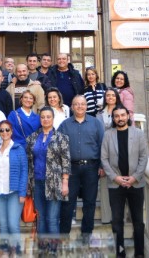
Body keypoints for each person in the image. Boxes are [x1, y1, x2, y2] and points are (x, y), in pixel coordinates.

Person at [101, 105, 148, 258]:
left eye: (122, 115)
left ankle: (139, 254)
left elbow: (143, 158)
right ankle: (120, 253)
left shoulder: (139, 134)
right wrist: (116, 178)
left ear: (128, 116)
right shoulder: (108, 135)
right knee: (116, 222)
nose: (120, 118)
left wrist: (134, 177)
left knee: (138, 222)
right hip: (116, 185)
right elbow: (104, 159)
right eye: (116, 116)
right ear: (113, 118)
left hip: (136, 184)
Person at [58, 95, 105, 239]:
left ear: (86, 106)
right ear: (72, 107)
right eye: (76, 104)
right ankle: (64, 234)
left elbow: (103, 145)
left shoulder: (96, 123)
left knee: (89, 202)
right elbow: (58, 147)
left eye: (82, 104)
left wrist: (102, 165)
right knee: (67, 203)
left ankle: (86, 234)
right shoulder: (65, 125)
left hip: (91, 168)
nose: (79, 107)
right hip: (71, 169)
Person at [25, 107, 70, 240]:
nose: (45, 119)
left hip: (55, 183)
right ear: (40, 119)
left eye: (48, 117)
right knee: (41, 218)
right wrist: (28, 183)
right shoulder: (32, 138)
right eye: (43, 117)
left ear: (52, 118)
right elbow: (28, 161)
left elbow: (66, 161)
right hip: (37, 183)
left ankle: (53, 251)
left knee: (52, 219)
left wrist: (65, 183)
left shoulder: (61, 138)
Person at [0, 120, 28, 253]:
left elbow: (24, 171)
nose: (4, 132)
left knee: (13, 225)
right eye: (1, 130)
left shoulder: (18, 149)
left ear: (12, 131)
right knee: (3, 225)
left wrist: (22, 193)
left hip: (14, 192)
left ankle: (17, 251)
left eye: (7, 129)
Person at [96, 88, 120, 224]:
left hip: (118, 153)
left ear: (116, 97)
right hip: (103, 153)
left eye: (112, 95)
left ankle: (119, 217)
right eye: (108, 95)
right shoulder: (99, 114)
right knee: (105, 186)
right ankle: (106, 217)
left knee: (119, 188)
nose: (110, 97)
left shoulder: (122, 113)